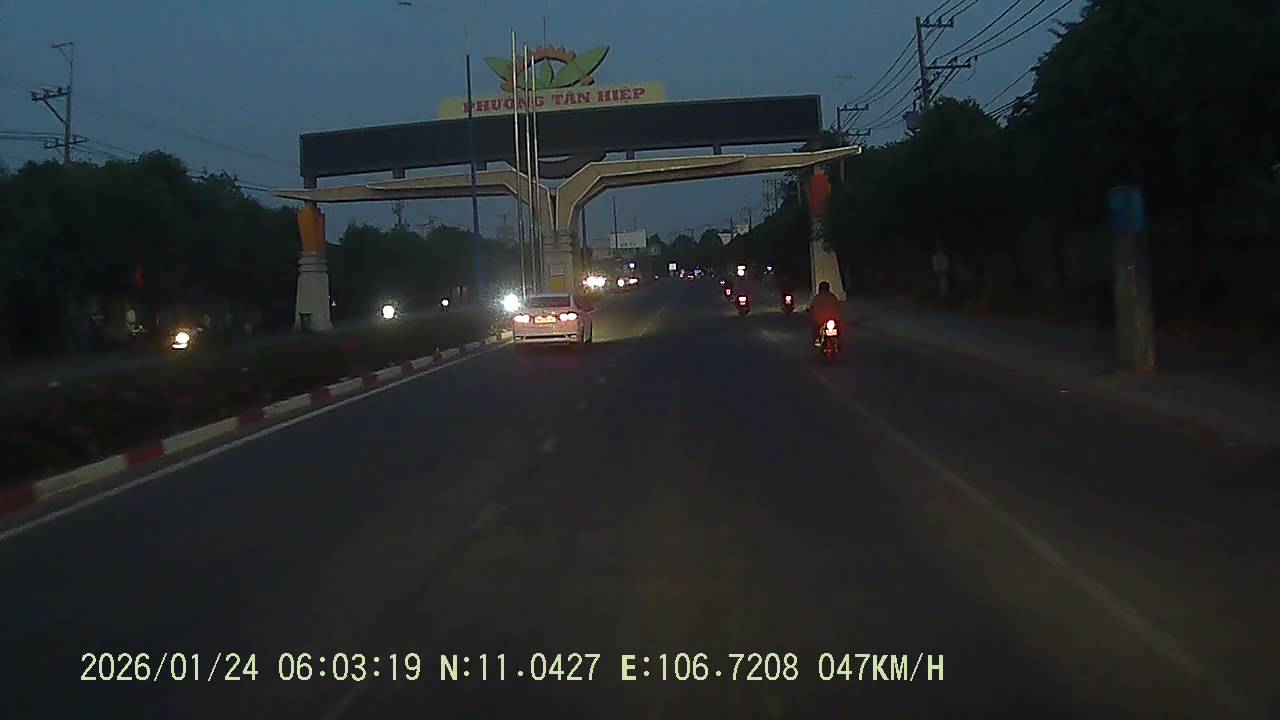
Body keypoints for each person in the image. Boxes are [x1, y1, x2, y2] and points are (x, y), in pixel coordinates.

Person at [807, 280, 843, 345]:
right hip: (833, 320)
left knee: (815, 328)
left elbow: (812, 309)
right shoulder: (833, 297)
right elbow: (838, 308)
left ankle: (817, 340)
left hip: (820, 322)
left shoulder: (817, 298)